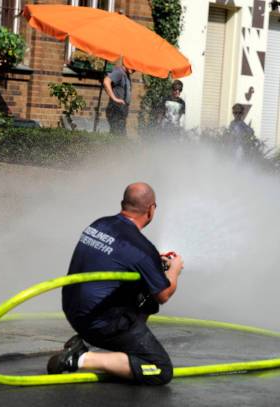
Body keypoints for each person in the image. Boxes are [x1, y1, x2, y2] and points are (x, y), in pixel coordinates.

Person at [47, 182, 184, 385]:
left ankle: (96, 345)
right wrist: (175, 269)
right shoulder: (141, 248)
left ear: (123, 203)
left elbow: (118, 253)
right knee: (160, 369)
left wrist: (154, 261)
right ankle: (79, 359)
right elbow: (164, 294)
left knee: (145, 293)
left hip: (74, 311)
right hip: (99, 324)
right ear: (151, 209)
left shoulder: (100, 224)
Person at [104, 64, 133, 136]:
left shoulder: (126, 74)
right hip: (115, 109)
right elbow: (106, 81)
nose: (134, 69)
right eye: (133, 65)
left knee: (119, 135)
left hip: (121, 110)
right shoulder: (119, 72)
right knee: (118, 135)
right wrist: (114, 98)